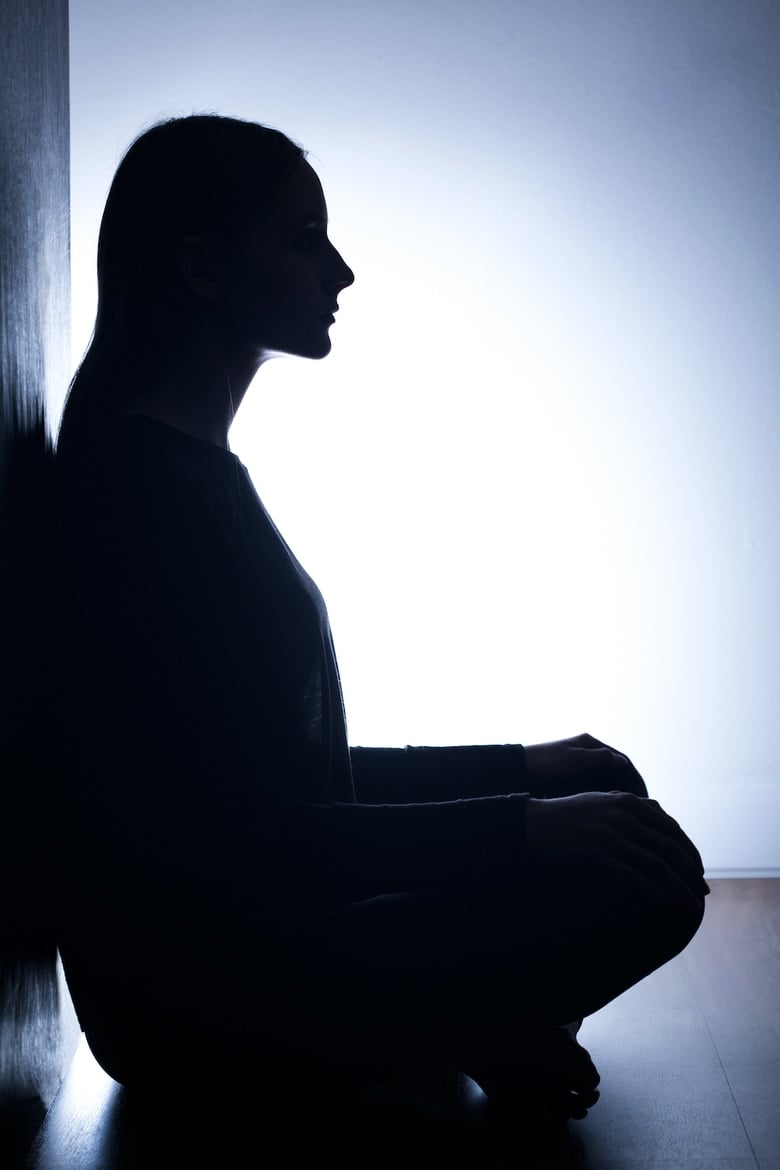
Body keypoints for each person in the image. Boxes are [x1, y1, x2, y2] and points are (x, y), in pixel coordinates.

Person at [52, 114, 708, 1141]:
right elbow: (234, 840)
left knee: (607, 783)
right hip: (205, 994)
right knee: (648, 880)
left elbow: (291, 780)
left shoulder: (184, 469)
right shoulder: (143, 500)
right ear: (203, 267)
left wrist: (525, 766)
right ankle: (445, 1034)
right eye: (305, 237)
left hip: (267, 926)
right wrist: (519, 822)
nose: (343, 271)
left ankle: (463, 1028)